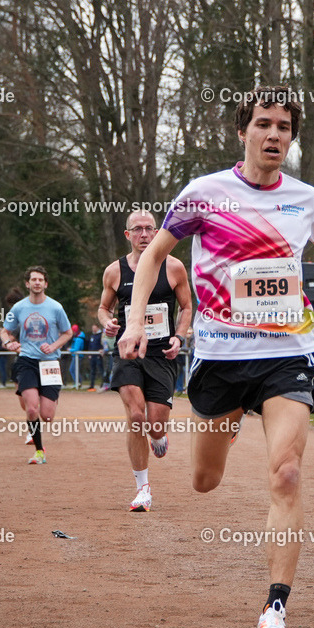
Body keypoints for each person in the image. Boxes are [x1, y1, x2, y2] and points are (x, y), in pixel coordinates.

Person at [118, 85, 314, 628]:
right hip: (221, 358)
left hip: (288, 352)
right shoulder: (204, 193)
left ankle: (275, 607)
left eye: (283, 127)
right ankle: (230, 420)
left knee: (287, 473)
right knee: (204, 480)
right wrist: (135, 320)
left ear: (291, 138)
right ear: (243, 132)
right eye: (263, 124)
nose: (273, 135)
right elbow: (154, 255)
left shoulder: (305, 198)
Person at [98, 210, 193, 511]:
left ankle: (159, 436)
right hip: (128, 350)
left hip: (161, 354)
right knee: (136, 417)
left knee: (155, 424)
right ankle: (143, 488)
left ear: (156, 232)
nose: (144, 234)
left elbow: (187, 307)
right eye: (137, 229)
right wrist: (107, 323)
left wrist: (179, 337)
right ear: (128, 235)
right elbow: (103, 308)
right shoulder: (114, 271)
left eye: (149, 228)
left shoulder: (174, 267)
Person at [2, 266, 73, 464]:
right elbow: (4, 331)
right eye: (33, 279)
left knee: (47, 416)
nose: (37, 283)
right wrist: (8, 343)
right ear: (27, 284)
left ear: (46, 284)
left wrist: (53, 346)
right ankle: (39, 451)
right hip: (27, 360)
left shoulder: (56, 308)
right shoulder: (19, 308)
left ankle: (50, 397)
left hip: (50, 362)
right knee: (31, 409)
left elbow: (68, 333)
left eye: (40, 280)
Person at [85, 324, 104, 391]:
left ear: (98, 328)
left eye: (94, 328)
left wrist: (102, 349)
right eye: (92, 328)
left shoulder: (101, 335)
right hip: (92, 356)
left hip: (98, 356)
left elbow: (103, 344)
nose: (93, 329)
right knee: (92, 371)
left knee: (101, 370)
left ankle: (103, 384)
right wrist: (89, 354)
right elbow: (90, 345)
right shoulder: (92, 336)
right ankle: (91, 385)